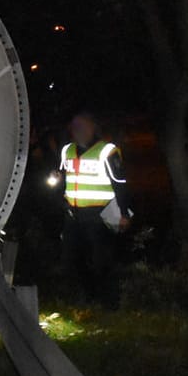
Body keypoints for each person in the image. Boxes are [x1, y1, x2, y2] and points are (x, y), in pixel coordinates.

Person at [56, 112, 134, 306]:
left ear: (93, 128)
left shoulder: (107, 151)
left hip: (98, 215)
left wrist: (124, 213)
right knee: (72, 258)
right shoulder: (67, 150)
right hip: (73, 215)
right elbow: (64, 176)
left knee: (102, 260)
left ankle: (108, 302)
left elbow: (120, 184)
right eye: (75, 127)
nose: (78, 131)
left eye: (82, 126)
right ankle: (87, 295)